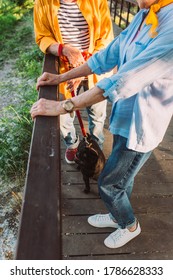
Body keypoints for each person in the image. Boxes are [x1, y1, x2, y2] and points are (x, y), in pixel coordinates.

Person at [31, 0, 173, 248]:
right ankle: (117, 215)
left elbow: (122, 81)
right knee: (122, 178)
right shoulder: (146, 14)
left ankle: (129, 225)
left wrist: (63, 105)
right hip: (125, 116)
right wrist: (62, 77)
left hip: (143, 125)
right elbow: (107, 56)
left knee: (109, 182)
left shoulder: (169, 24)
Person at [33, 0, 113, 164]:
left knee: (97, 116)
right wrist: (64, 49)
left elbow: (106, 39)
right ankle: (72, 144)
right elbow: (42, 36)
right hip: (63, 71)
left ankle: (95, 149)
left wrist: (84, 66)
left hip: (96, 69)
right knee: (63, 116)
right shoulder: (43, 2)